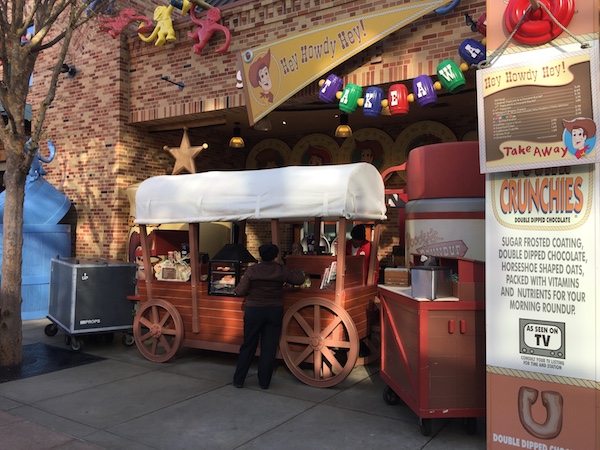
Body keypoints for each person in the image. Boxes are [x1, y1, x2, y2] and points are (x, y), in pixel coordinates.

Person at [233, 243, 305, 389]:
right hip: (274, 310)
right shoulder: (281, 270)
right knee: (269, 348)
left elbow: (239, 291)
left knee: (248, 345)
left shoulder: (252, 271)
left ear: (260, 255)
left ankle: (239, 380)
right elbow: (299, 279)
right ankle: (264, 383)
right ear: (275, 256)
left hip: (254, 311)